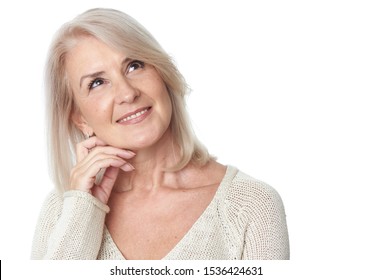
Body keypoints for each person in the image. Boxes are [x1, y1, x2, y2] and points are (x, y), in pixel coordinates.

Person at [31, 8, 289, 260]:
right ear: (80, 118)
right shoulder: (62, 210)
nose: (127, 93)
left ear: (162, 73)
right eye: (97, 82)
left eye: (134, 65)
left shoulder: (252, 206)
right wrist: (82, 211)